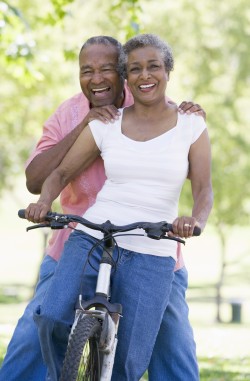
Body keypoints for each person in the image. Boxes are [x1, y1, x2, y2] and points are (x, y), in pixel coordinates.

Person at [0, 36, 206, 381]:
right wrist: (86, 123)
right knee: (32, 335)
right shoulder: (72, 115)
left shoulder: (167, 111)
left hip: (150, 245)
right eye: (87, 70)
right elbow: (39, 180)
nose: (97, 78)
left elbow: (199, 180)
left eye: (107, 69)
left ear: (121, 74)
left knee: (174, 350)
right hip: (76, 239)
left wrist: (194, 220)